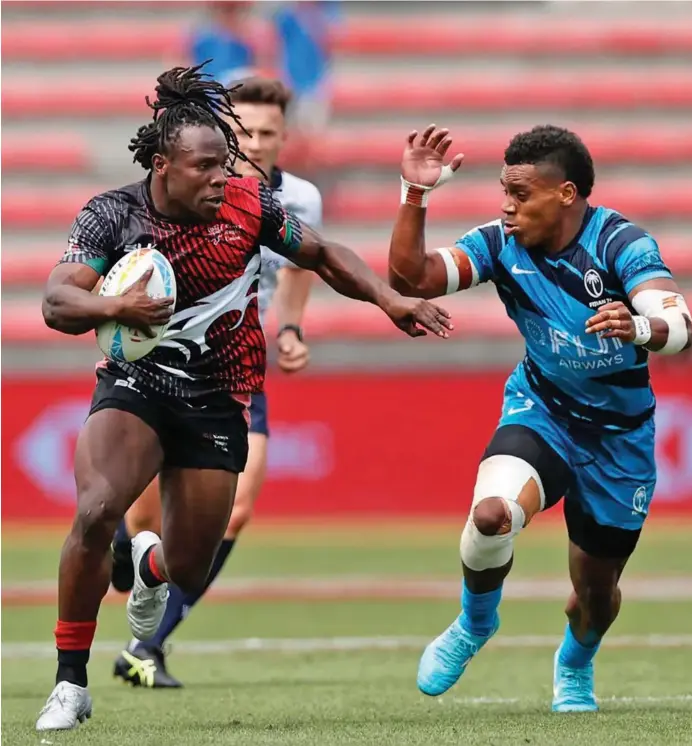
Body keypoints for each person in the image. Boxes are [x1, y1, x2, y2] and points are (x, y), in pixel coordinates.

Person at [35, 63, 452, 732]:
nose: (222, 178)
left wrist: (388, 297)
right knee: (96, 511)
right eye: (205, 168)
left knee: (190, 566)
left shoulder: (247, 207)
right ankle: (70, 681)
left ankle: (150, 563)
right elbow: (58, 299)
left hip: (218, 395)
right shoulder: (112, 214)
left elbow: (321, 254)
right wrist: (117, 305)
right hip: (137, 385)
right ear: (163, 165)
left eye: (225, 165)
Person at [388, 124, 692, 712]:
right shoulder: (499, 242)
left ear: (567, 194)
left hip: (619, 440)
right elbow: (414, 276)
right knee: (491, 514)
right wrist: (414, 193)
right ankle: (475, 623)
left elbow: (678, 323)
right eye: (504, 190)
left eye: (521, 194)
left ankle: (574, 663)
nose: (507, 205)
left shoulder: (622, 245)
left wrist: (639, 327)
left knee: (595, 595)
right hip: (543, 410)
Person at [110, 75, 321, 688]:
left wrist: (293, 329)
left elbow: (305, 263)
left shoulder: (297, 200)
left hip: (234, 369)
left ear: (285, 138)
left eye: (268, 133)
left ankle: (146, 644)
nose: (255, 143)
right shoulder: (190, 192)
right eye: (244, 132)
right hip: (158, 366)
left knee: (239, 508)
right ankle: (128, 549)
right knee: (144, 517)